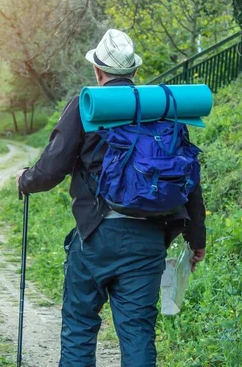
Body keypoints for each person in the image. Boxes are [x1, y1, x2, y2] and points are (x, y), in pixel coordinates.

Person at [16, 29, 206, 367]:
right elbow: (189, 177)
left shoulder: (87, 106)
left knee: (79, 327)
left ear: (98, 71)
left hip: (96, 238)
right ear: (134, 72)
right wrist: (197, 238)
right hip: (148, 241)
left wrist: (25, 181)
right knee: (137, 334)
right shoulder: (162, 110)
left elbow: (51, 169)